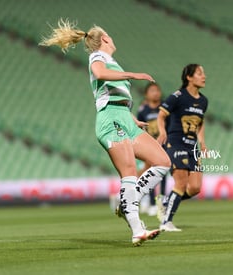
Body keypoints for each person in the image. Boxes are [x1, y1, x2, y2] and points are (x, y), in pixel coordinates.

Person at [40, 19, 171, 246]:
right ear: (105, 39)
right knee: (129, 171)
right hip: (110, 119)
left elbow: (113, 95)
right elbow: (99, 74)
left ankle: (127, 202)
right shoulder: (98, 57)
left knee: (162, 161)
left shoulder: (113, 62)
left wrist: (132, 119)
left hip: (124, 119)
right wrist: (134, 75)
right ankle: (137, 229)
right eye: (110, 35)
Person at [156, 64, 208, 232]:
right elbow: (161, 115)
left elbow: (200, 122)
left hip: (192, 146)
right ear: (189, 77)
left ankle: (166, 201)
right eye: (200, 73)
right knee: (181, 182)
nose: (204, 76)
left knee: (194, 188)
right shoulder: (177, 97)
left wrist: (202, 142)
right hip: (176, 142)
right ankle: (166, 222)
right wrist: (163, 132)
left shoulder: (203, 101)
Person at [136, 83, 168, 216]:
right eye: (152, 90)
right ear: (146, 94)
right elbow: (139, 127)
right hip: (150, 145)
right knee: (150, 173)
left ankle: (161, 201)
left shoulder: (165, 107)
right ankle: (151, 203)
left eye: (157, 90)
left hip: (164, 143)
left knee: (163, 173)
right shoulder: (143, 110)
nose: (155, 93)